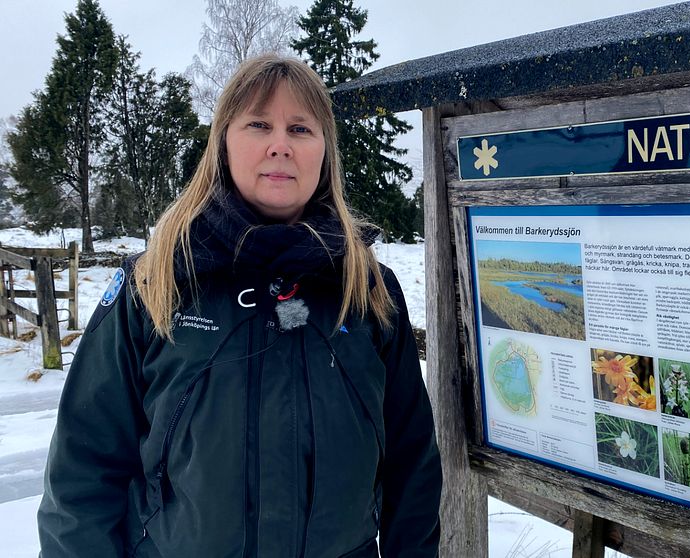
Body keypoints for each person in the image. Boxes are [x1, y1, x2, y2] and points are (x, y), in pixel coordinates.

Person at [37, 54, 442, 557]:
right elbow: (83, 471)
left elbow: (411, 465)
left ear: (325, 153)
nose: (280, 145)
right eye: (258, 124)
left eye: (300, 128)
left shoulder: (369, 292)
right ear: (223, 143)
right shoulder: (155, 283)